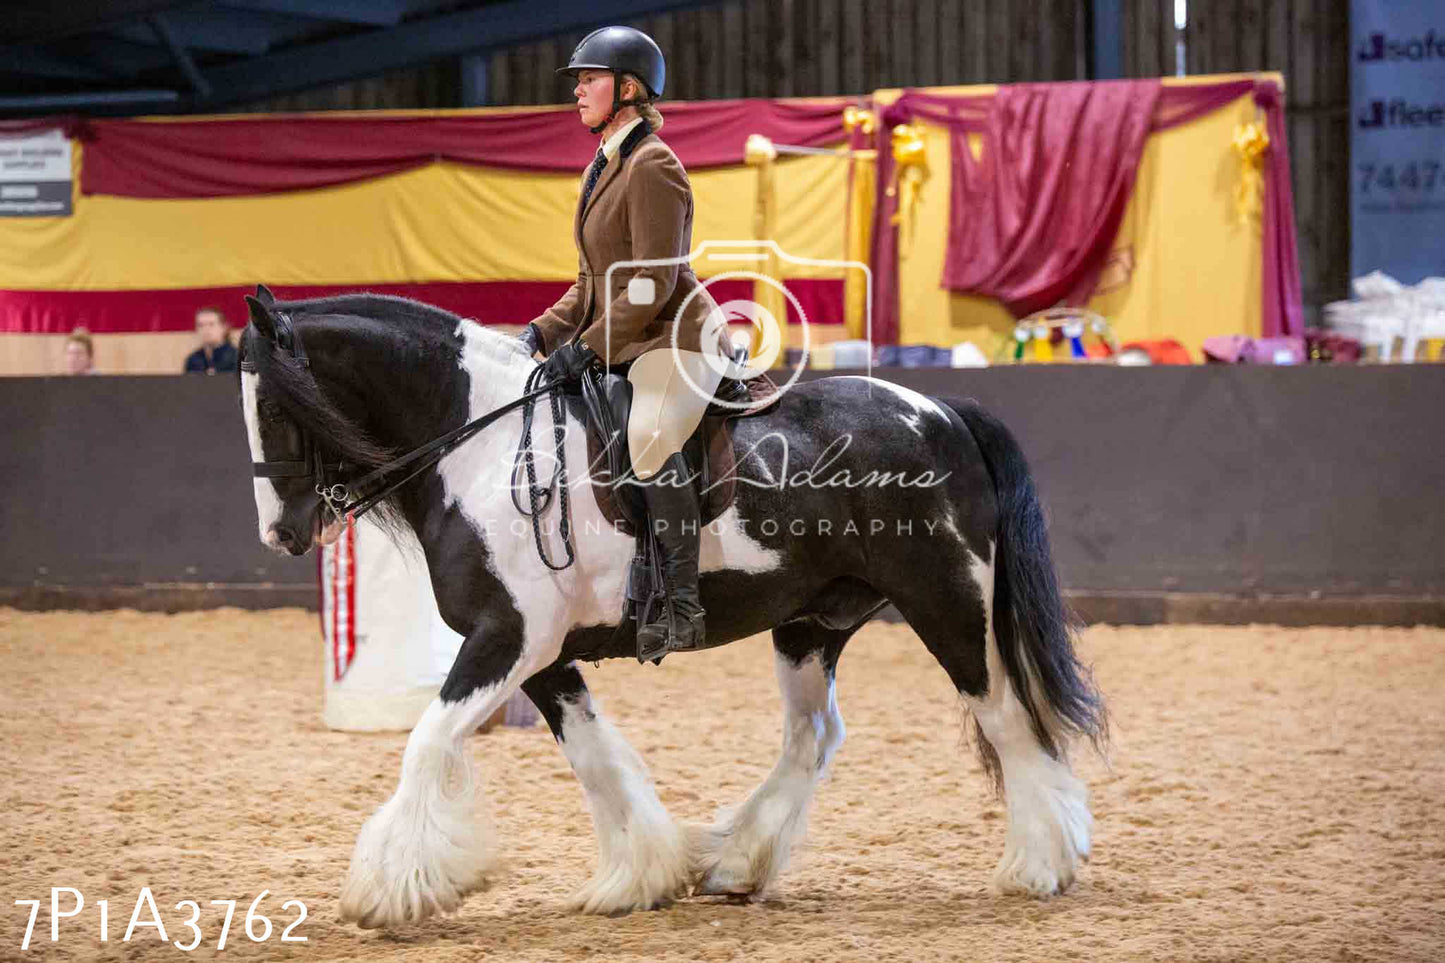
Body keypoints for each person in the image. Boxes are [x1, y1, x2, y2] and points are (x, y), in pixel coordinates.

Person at [517, 25, 736, 660]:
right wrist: (537, 333)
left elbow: (651, 282)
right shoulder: (604, 166)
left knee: (647, 434)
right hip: (629, 339)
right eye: (578, 81)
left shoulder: (652, 164)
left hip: (675, 338)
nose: (577, 90)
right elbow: (592, 282)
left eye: (589, 79)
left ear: (629, 88)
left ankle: (683, 603)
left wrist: (585, 348)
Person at [184, 306, 238, 374]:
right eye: (200, 325)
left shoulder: (237, 358)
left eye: (211, 324)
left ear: (224, 327)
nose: (206, 329)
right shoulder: (193, 360)